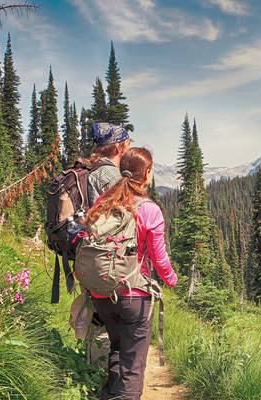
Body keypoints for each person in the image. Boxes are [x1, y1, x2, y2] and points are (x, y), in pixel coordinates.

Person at [83, 147, 178, 400]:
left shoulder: (103, 204)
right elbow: (159, 257)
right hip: (134, 295)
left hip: (102, 294)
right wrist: (171, 279)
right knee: (133, 367)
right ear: (145, 174)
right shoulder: (148, 209)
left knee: (117, 350)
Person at [85, 122, 133, 205]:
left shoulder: (90, 168)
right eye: (128, 144)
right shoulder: (114, 176)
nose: (130, 149)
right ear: (119, 148)